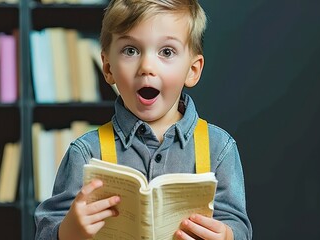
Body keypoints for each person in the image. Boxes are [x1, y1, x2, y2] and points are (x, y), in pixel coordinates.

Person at [35, 0, 252, 239]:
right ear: (108, 67)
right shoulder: (85, 153)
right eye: (131, 50)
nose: (146, 67)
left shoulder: (219, 148)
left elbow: (238, 224)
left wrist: (227, 236)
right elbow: (46, 229)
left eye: (166, 52)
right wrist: (68, 231)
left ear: (192, 70)